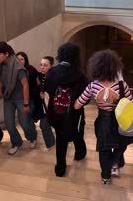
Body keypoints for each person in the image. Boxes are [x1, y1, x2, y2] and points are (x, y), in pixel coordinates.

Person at [74, 50, 133, 185]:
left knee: (104, 150)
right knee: (121, 144)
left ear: (96, 67)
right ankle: (114, 161)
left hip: (102, 121)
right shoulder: (122, 86)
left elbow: (77, 105)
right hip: (119, 121)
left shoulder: (93, 86)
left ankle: (105, 176)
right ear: (115, 68)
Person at [45, 43, 87, 177]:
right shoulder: (79, 75)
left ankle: (60, 168)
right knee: (77, 133)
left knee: (60, 139)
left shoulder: (52, 71)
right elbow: (85, 97)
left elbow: (48, 89)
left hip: (56, 112)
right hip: (74, 113)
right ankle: (80, 154)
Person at [0, 42, 37, 155]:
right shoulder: (0, 63)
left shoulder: (18, 67)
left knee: (24, 123)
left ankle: (32, 136)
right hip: (8, 97)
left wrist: (26, 104)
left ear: (6, 54)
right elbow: (1, 79)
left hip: (20, 98)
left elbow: (25, 85)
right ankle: (16, 142)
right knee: (9, 123)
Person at [16, 52, 55, 150]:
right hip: (43, 106)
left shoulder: (53, 78)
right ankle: (51, 143)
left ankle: (51, 144)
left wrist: (45, 93)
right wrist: (40, 91)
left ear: (51, 67)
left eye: (45, 65)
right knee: (42, 124)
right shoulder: (40, 75)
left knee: (44, 124)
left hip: (52, 106)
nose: (42, 67)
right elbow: (38, 86)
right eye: (41, 65)